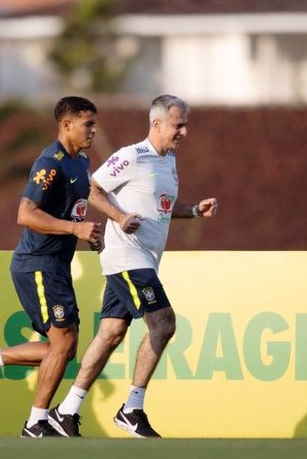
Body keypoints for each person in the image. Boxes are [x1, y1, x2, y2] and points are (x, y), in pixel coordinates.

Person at [50, 94, 218, 438]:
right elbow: (91, 189)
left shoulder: (168, 160)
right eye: (179, 124)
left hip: (144, 260)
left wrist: (196, 210)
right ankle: (132, 408)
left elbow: (162, 208)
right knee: (164, 323)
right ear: (157, 123)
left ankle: (65, 411)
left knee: (110, 333)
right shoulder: (131, 156)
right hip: (126, 256)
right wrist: (120, 216)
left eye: (185, 124)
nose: (184, 131)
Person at [0, 96, 102, 437]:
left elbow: (73, 210)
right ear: (66, 125)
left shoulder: (81, 163)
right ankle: (36, 422)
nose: (93, 130)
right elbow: (25, 213)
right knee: (63, 344)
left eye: (94, 123)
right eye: (88, 124)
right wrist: (74, 229)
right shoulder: (49, 163)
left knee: (62, 349)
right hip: (37, 264)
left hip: (55, 266)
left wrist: (90, 233)